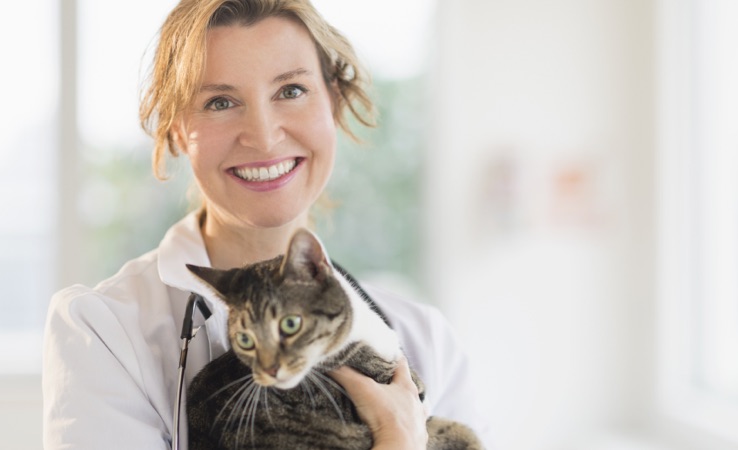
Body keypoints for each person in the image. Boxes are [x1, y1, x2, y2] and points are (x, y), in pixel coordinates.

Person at [42, 0, 494, 448]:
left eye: (291, 90)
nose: (262, 136)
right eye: (220, 102)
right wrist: (398, 437)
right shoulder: (101, 332)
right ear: (177, 129)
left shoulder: (426, 339)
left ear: (333, 102)